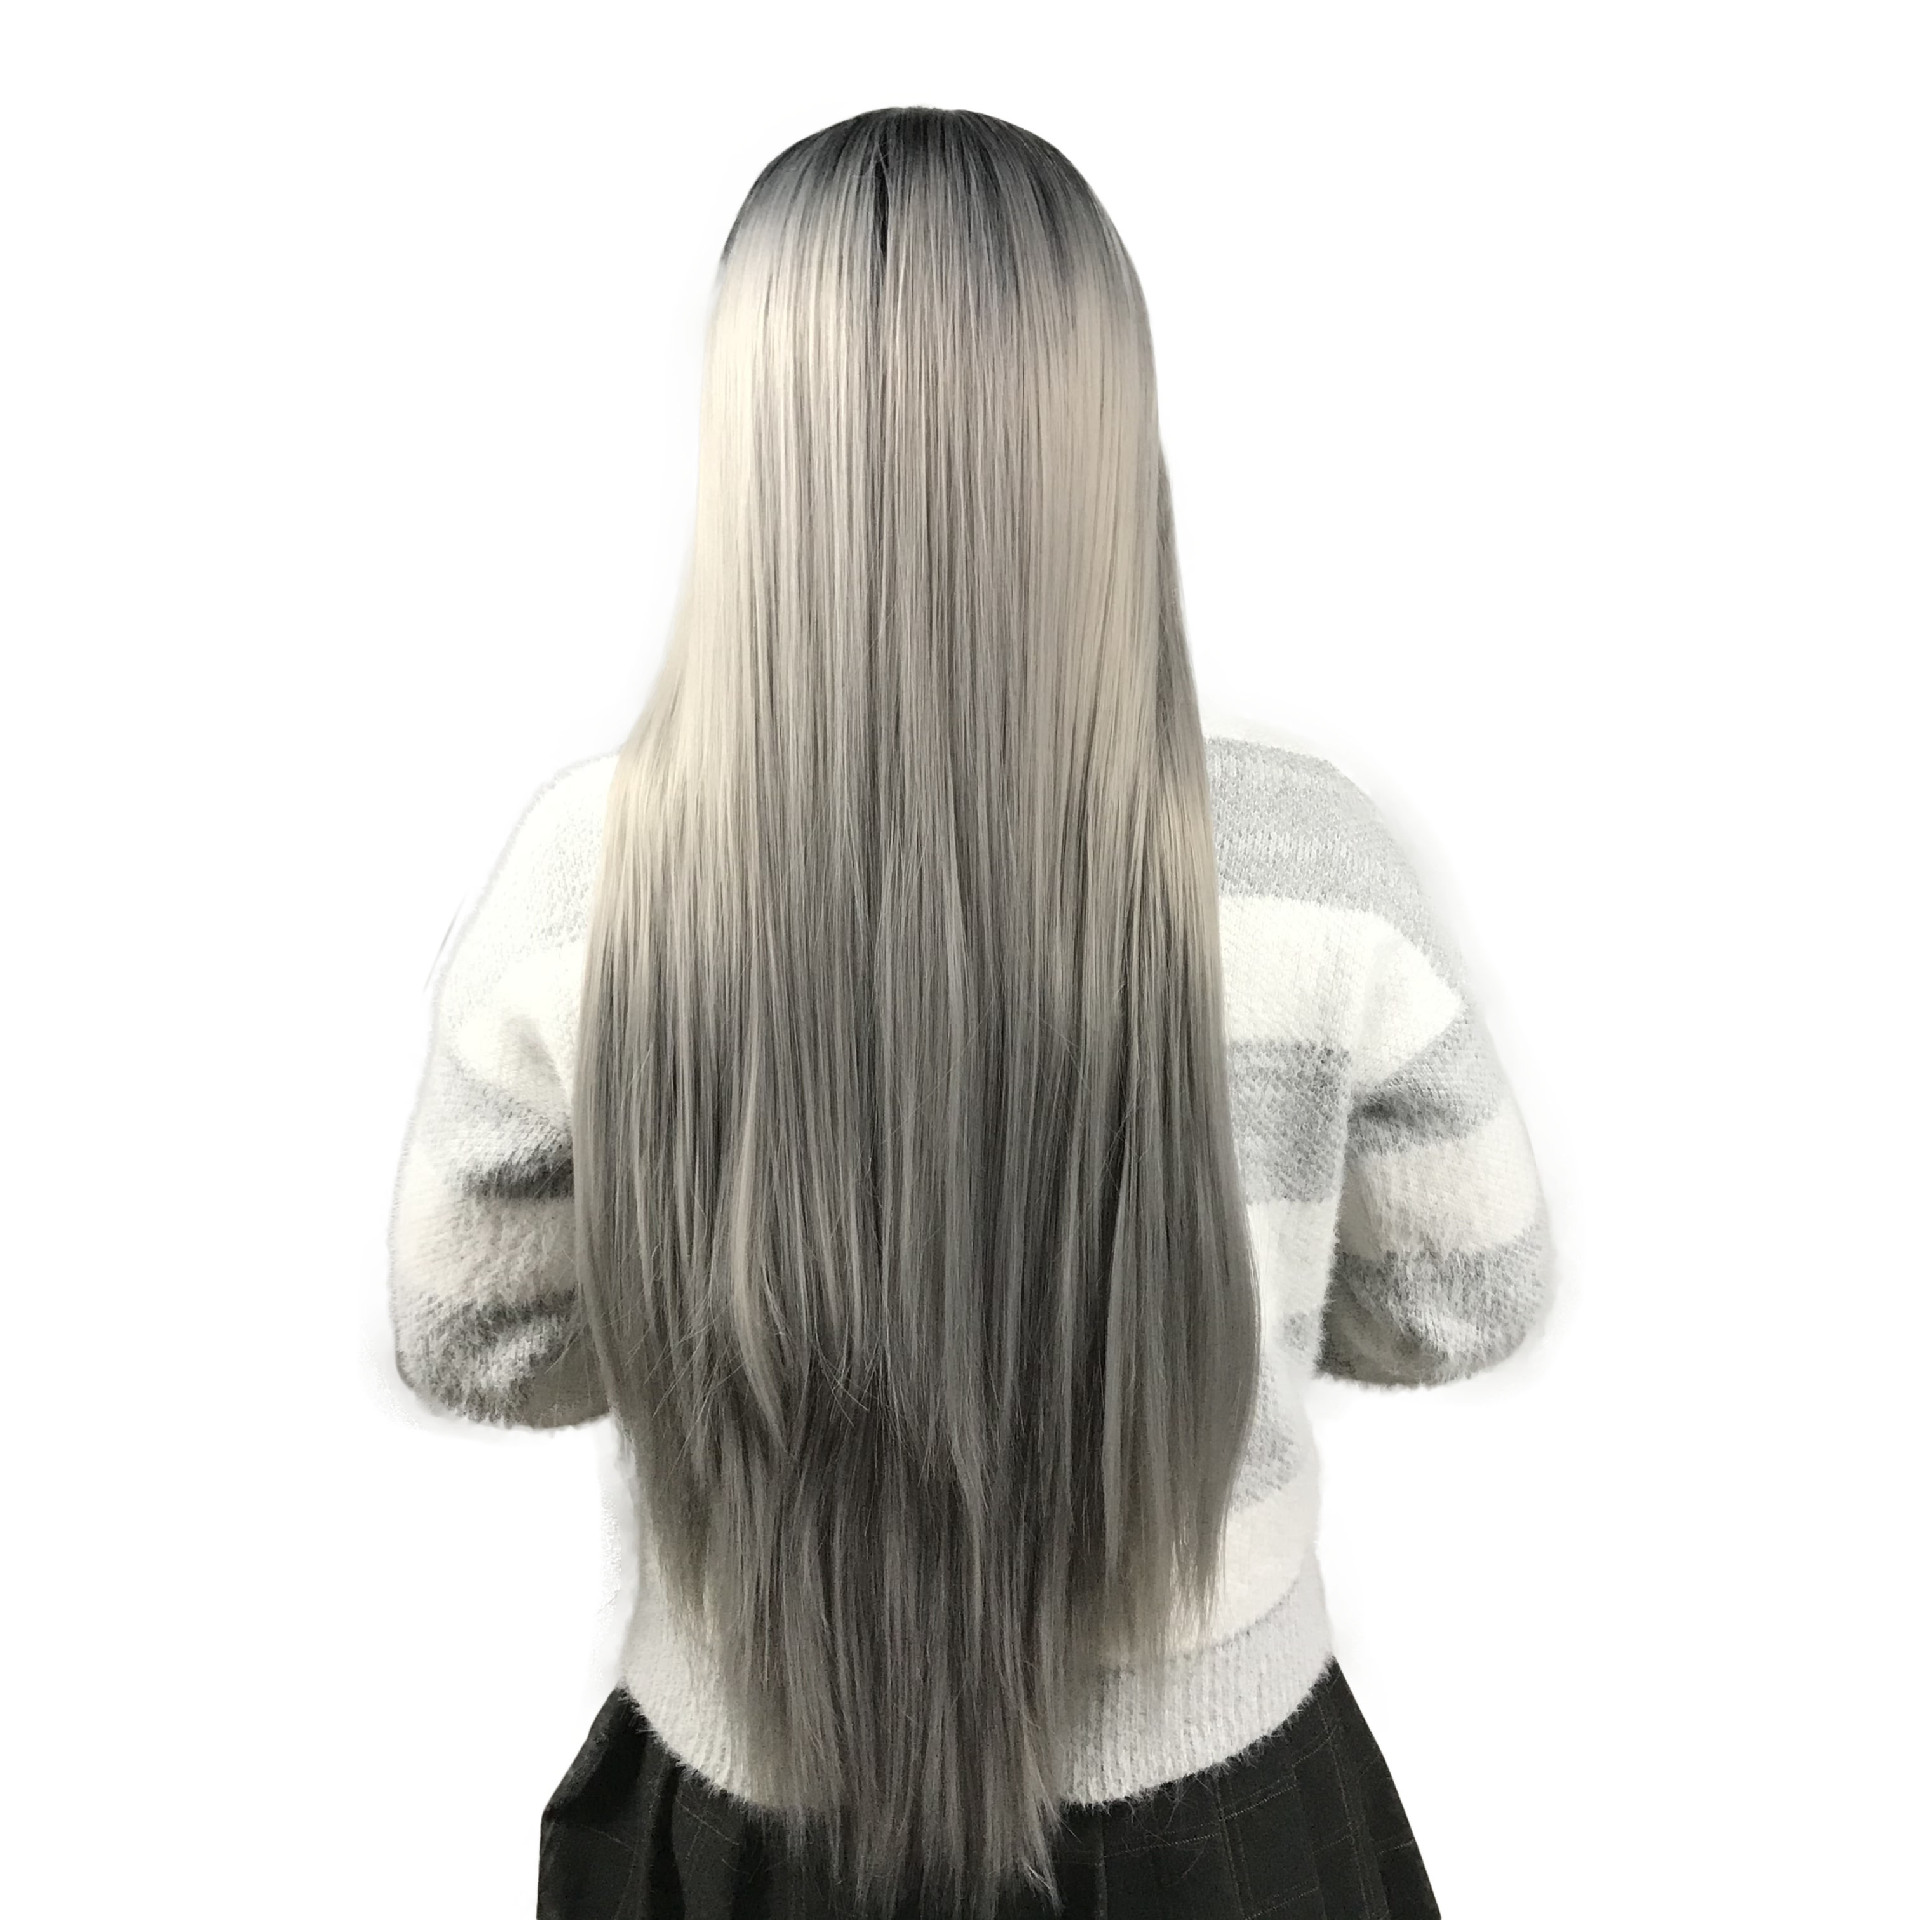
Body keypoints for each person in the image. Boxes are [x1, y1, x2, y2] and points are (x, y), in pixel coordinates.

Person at [387, 105, 1551, 1920]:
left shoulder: (585, 883)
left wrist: (743, 1307)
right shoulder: (1312, 868)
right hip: (1222, 1851)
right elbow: (1464, 1294)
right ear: (1106, 433)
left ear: (757, 441)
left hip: (738, 1849)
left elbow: (474, 1335)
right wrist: (1221, 1303)